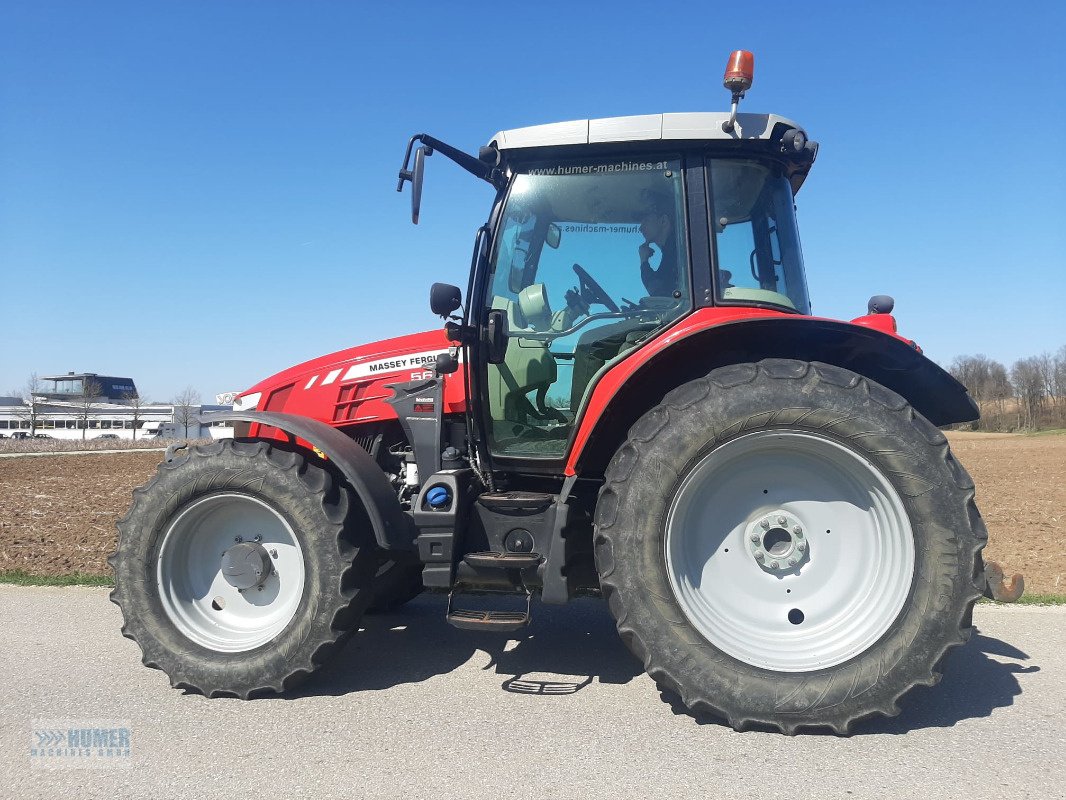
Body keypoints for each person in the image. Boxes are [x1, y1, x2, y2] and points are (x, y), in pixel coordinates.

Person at [637, 191, 678, 297]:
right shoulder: (672, 251)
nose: (640, 228)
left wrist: (644, 261)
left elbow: (657, 291)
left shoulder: (677, 254)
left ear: (663, 221)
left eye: (646, 221)